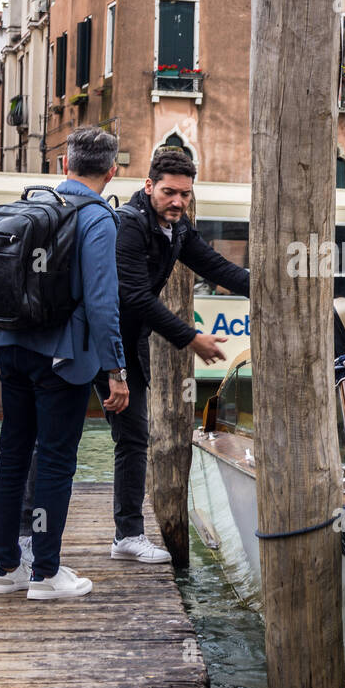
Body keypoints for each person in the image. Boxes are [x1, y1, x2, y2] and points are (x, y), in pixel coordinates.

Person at [0, 127, 130, 599]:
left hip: (10, 344)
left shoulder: (33, 203)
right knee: (53, 460)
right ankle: (46, 573)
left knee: (12, 456)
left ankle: (5, 569)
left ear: (62, 164)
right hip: (62, 356)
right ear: (112, 171)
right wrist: (116, 370)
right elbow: (104, 302)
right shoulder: (97, 218)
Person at [108, 149, 250, 562]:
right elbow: (133, 296)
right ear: (148, 186)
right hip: (93, 341)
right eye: (169, 192)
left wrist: (271, 287)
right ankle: (29, 538)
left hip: (125, 345)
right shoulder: (129, 226)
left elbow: (219, 269)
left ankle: (127, 537)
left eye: (185, 195)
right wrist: (191, 338)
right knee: (54, 440)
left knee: (134, 438)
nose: (178, 202)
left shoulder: (177, 228)